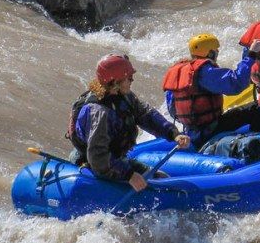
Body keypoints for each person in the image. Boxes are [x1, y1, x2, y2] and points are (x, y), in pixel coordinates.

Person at [67, 53, 190, 191]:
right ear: (115, 82)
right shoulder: (99, 112)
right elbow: (98, 157)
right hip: (93, 163)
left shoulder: (124, 97)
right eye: (128, 77)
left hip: (113, 160)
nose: (132, 80)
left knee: (161, 177)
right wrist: (129, 175)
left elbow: (146, 115)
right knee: (153, 184)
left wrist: (173, 133)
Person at [162, 33, 260, 148]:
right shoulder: (204, 71)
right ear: (210, 53)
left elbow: (172, 110)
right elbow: (235, 83)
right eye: (216, 51)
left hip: (191, 131)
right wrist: (251, 55)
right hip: (211, 131)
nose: (217, 54)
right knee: (258, 108)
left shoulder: (178, 71)